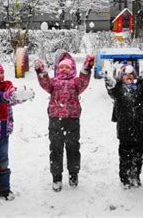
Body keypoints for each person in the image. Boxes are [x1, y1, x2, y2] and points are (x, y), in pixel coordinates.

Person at [34, 52, 94, 192]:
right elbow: (45, 84)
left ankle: (73, 174)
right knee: (56, 149)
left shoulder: (75, 82)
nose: (64, 70)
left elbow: (84, 82)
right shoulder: (54, 82)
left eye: (67, 67)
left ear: (72, 69)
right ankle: (56, 177)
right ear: (57, 69)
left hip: (72, 120)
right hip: (56, 120)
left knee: (73, 148)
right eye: (61, 67)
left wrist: (86, 68)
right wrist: (41, 71)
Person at [0, 59, 35, 204]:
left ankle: (4, 189)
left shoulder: (7, 88)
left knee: (3, 163)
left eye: (1, 72)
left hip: (3, 134)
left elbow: (12, 99)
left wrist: (22, 96)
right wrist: (4, 96)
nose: (0, 75)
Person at [103, 63, 143, 189]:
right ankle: (125, 178)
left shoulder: (140, 88)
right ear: (120, 78)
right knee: (124, 157)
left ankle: (135, 175)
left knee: (138, 156)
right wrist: (109, 82)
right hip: (124, 131)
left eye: (131, 74)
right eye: (125, 75)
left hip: (139, 130)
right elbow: (112, 91)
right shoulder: (119, 89)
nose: (128, 77)